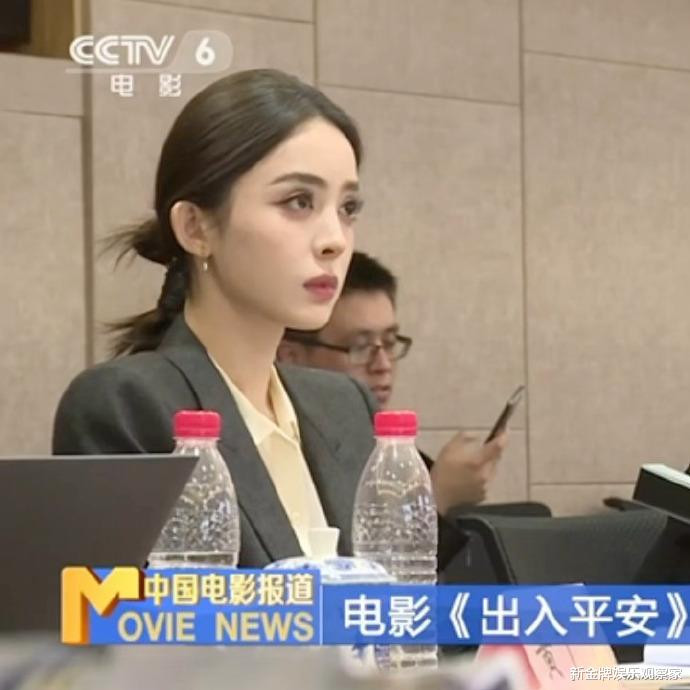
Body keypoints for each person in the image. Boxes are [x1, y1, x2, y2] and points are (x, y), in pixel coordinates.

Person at [53, 69, 466, 569]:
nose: (334, 240)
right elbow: (120, 612)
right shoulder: (126, 404)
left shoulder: (344, 404)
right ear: (195, 227)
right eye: (298, 202)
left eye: (348, 208)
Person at [278, 251, 506, 507]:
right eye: (361, 347)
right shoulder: (281, 457)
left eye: (388, 342)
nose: (383, 365)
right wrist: (438, 496)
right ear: (290, 357)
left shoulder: (390, 454)